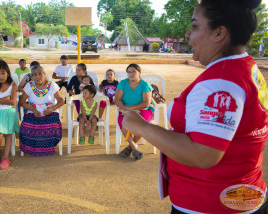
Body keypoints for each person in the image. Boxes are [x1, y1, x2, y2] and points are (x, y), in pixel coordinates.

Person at [121, 1, 268, 213]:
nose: (188, 34)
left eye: (195, 26)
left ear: (219, 33)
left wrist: (141, 126)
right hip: (238, 195)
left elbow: (203, 154)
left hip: (209, 204)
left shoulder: (220, 83)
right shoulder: (243, 67)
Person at [19, 66, 64, 156]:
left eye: (40, 74)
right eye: (35, 75)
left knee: (51, 125)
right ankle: (33, 149)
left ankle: (47, 148)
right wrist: (33, 109)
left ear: (44, 75)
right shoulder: (29, 85)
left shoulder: (51, 85)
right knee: (27, 125)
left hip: (50, 112)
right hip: (33, 112)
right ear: (32, 77)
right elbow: (22, 102)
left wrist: (51, 109)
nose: (38, 76)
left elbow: (61, 100)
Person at [114, 63, 153, 160]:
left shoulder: (145, 85)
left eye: (134, 71)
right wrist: (123, 108)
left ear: (139, 73)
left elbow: (146, 103)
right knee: (122, 123)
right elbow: (117, 99)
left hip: (142, 110)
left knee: (142, 125)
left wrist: (129, 109)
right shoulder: (123, 83)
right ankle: (134, 146)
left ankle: (129, 148)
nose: (131, 74)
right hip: (124, 108)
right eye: (129, 72)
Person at [0, 60, 19, 170]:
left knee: (8, 134)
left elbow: (13, 102)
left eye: (3, 73)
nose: (1, 76)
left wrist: (0, 100)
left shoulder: (12, 84)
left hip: (9, 112)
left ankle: (6, 158)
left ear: (7, 73)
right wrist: (6, 98)